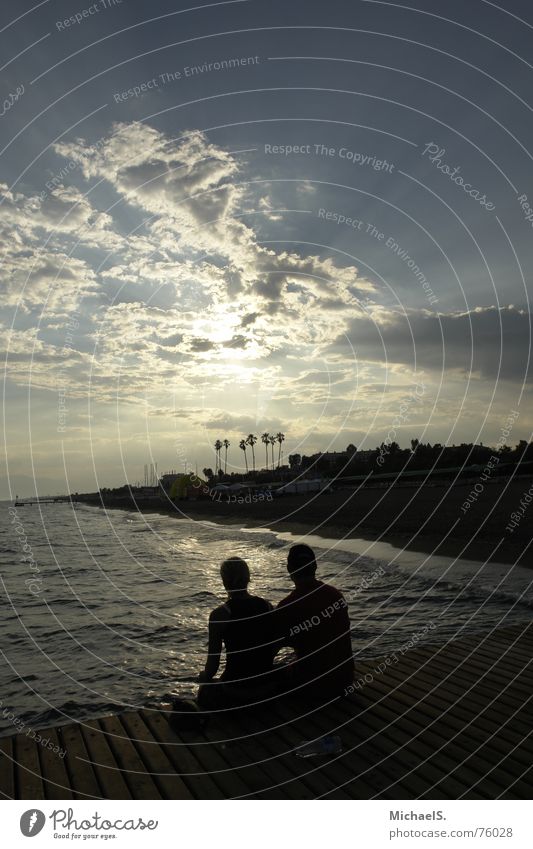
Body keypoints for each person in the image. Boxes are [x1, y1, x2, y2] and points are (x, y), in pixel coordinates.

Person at [274, 543, 354, 702]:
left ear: (289, 569)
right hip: (344, 681)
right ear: (315, 566)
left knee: (274, 672)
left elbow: (270, 649)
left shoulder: (286, 606)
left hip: (312, 687)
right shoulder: (336, 596)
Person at [197, 557, 277, 710]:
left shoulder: (219, 615)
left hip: (236, 690)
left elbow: (213, 667)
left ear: (224, 581)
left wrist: (203, 678)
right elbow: (272, 647)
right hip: (267, 687)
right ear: (248, 579)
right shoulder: (267, 606)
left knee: (205, 683)